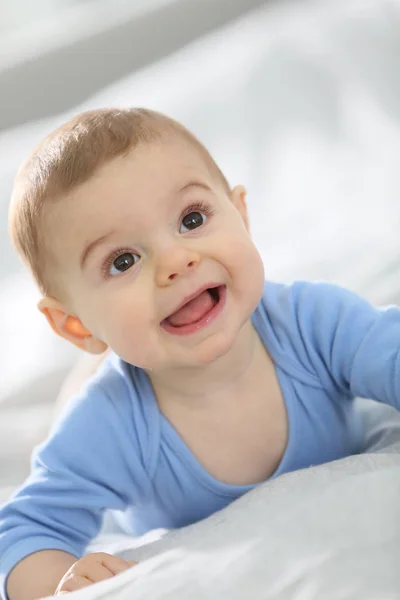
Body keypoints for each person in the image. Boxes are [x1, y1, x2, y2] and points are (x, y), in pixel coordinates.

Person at [1, 107, 400, 600]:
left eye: (192, 219)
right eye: (123, 261)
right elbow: (23, 533)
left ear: (243, 217)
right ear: (76, 324)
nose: (175, 260)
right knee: (78, 400)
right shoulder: (112, 424)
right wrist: (56, 581)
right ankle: (84, 371)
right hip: (98, 396)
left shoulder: (312, 323)